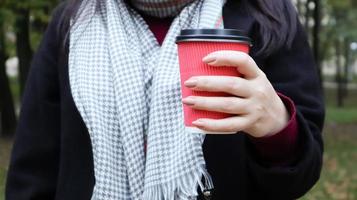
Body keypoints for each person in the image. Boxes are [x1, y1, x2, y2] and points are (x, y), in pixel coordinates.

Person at [6, 0, 325, 199]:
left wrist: (278, 130)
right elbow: (32, 174)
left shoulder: (267, 15)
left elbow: (298, 179)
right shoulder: (71, 24)